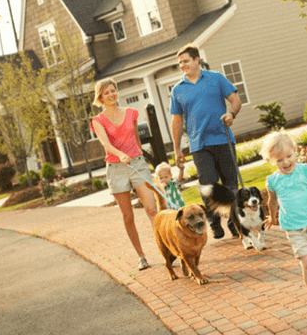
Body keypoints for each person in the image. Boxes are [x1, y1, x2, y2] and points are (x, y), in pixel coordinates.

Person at [170, 43, 241, 239]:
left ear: (196, 60)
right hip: (199, 145)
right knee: (208, 184)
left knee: (230, 183)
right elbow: (177, 120)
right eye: (179, 63)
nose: (182, 65)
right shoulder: (178, 90)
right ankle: (213, 221)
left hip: (223, 139)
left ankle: (234, 221)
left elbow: (235, 100)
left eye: (185, 61)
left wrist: (230, 114)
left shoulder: (216, 78)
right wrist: (177, 149)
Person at [262, 131, 307, 319]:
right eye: (279, 160)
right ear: (271, 160)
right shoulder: (273, 181)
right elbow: (272, 202)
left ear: (295, 152)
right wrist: (272, 217)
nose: (286, 163)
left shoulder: (305, 170)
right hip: (293, 228)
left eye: (289, 156)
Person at [91, 78, 158, 271]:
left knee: (151, 209)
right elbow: (105, 144)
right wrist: (120, 154)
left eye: (113, 90)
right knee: (128, 216)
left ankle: (165, 248)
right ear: (100, 97)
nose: (111, 95)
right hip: (116, 168)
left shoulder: (131, 113)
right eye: (106, 93)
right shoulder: (97, 121)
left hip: (137, 163)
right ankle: (141, 256)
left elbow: (136, 138)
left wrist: (137, 156)